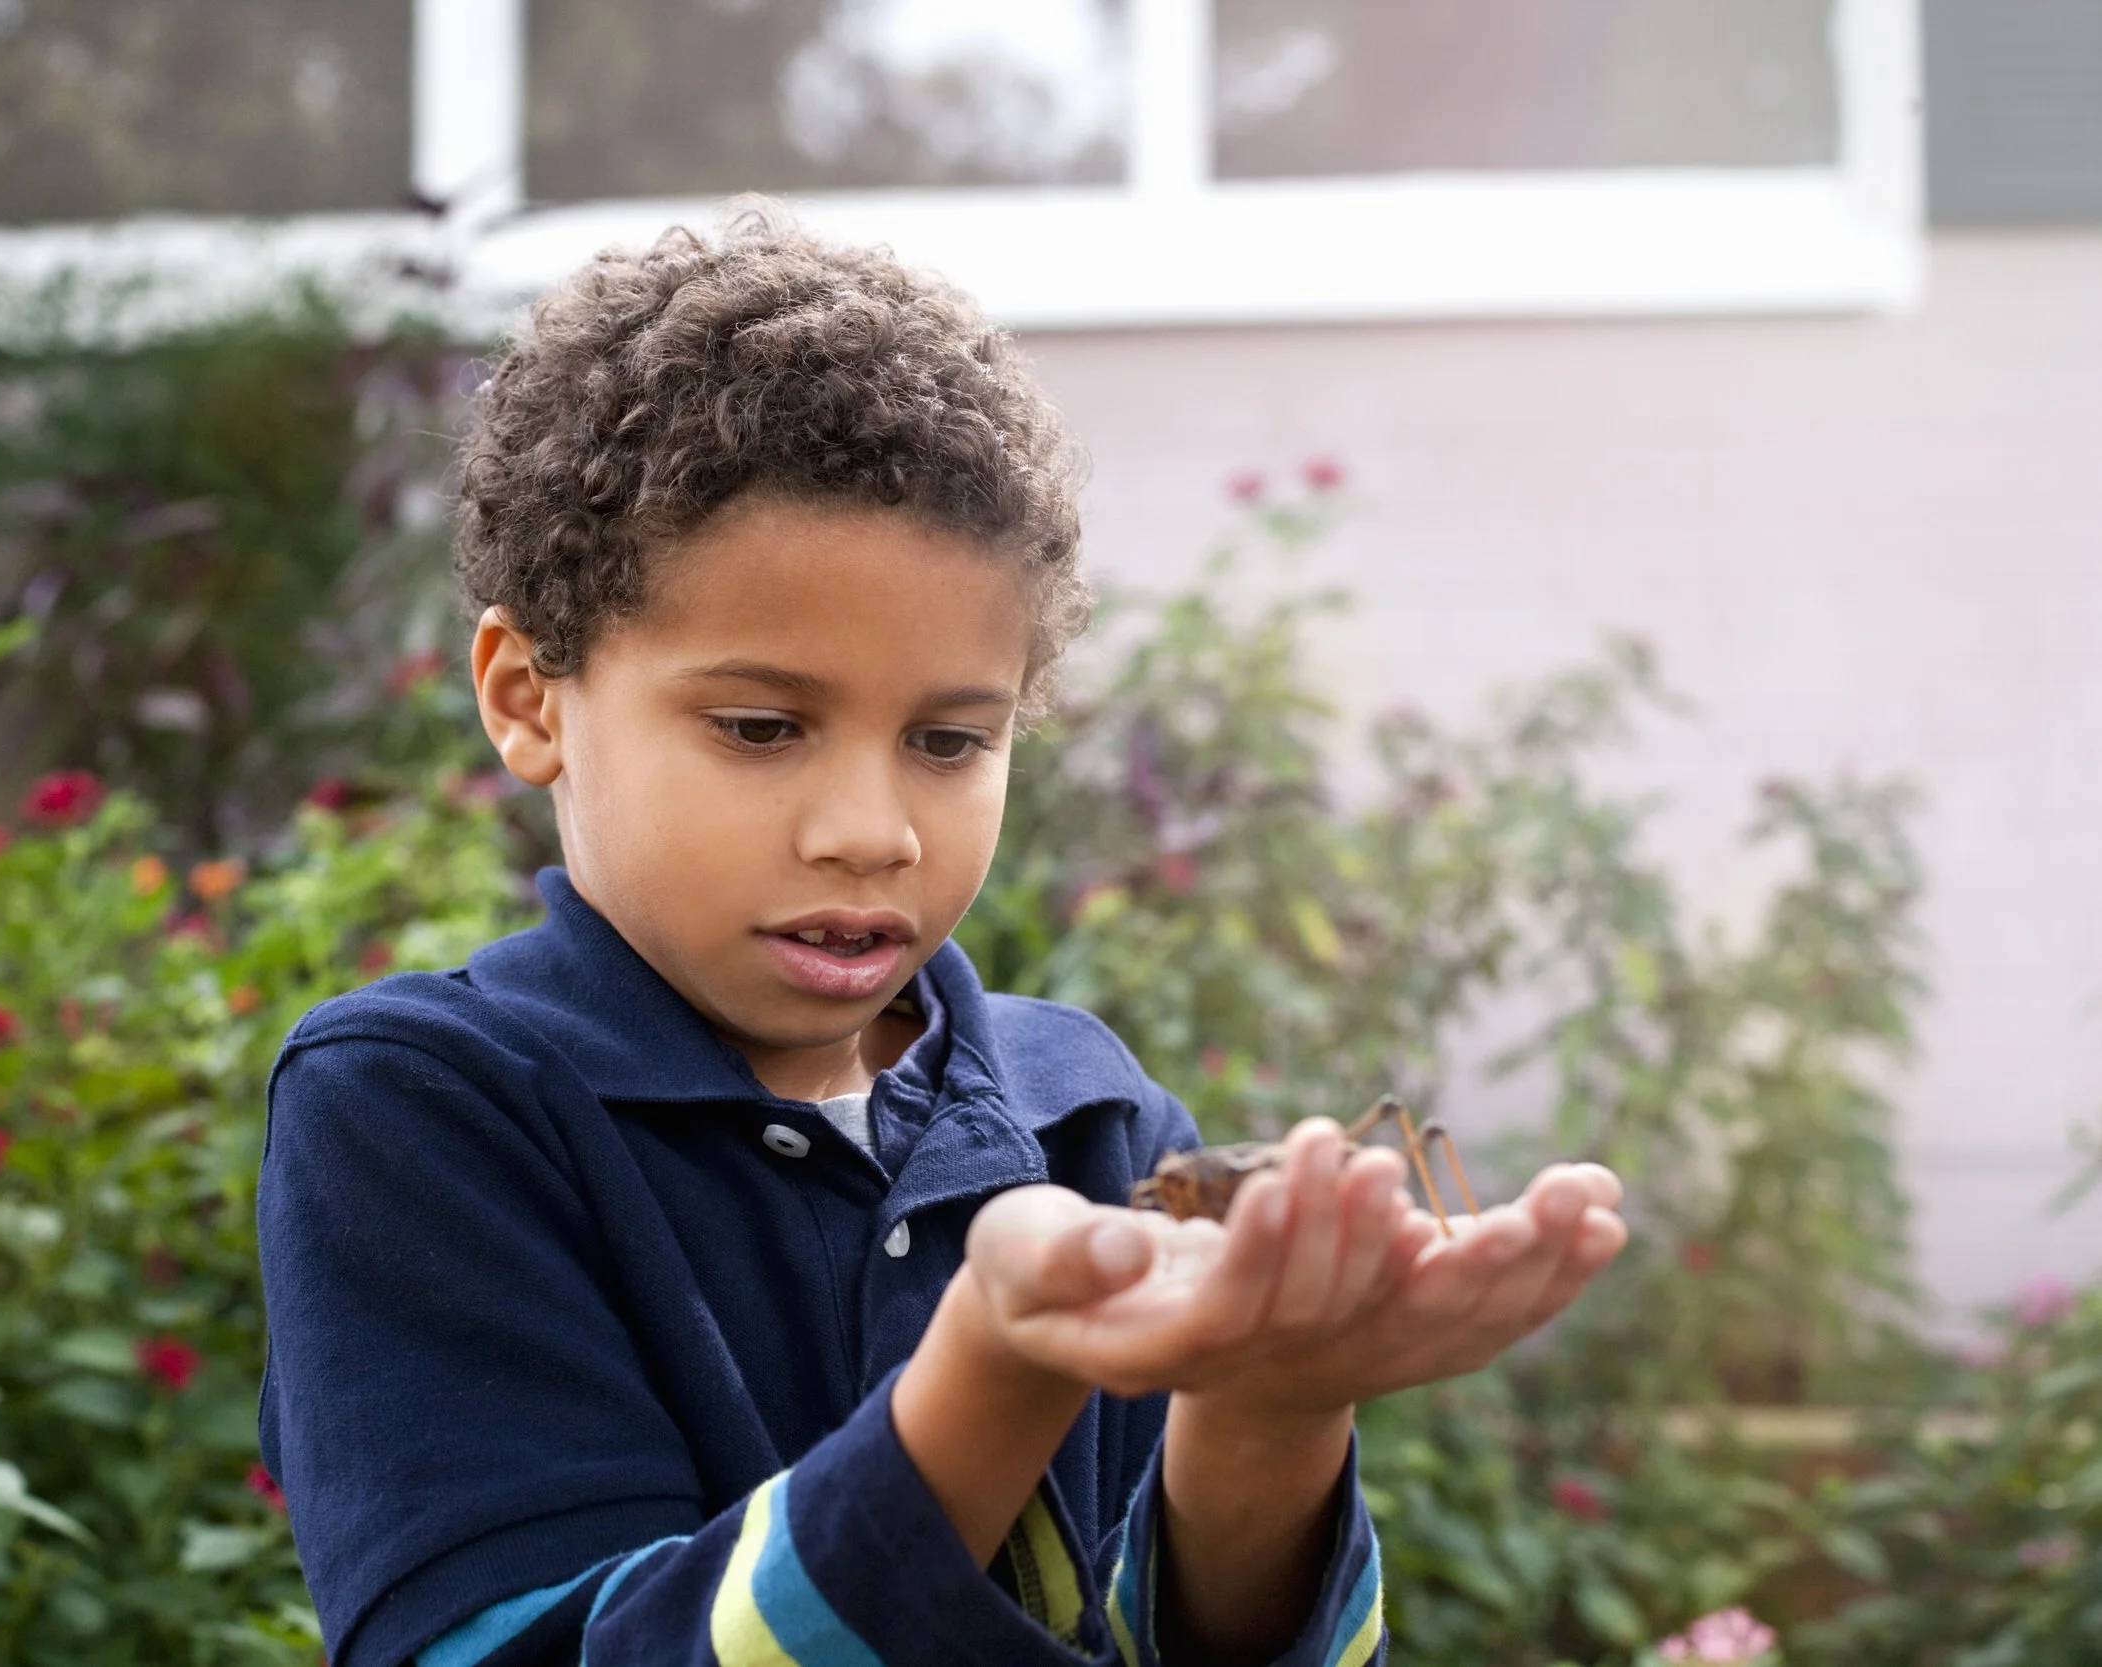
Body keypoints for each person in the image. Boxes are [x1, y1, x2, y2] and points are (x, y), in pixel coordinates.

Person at [254, 206, 1628, 1667]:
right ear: (531, 696)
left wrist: (1276, 1408)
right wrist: (994, 1369)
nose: (872, 829)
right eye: (763, 726)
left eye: (950, 738)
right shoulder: (423, 1106)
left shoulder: (1086, 1114)